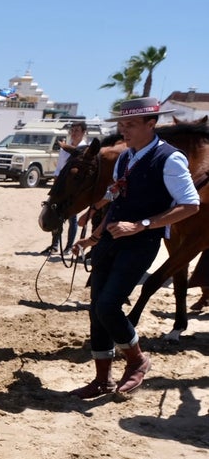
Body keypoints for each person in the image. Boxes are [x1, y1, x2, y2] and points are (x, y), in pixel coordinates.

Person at [70, 97, 200, 398]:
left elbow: (190, 205)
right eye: (121, 124)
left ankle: (138, 359)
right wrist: (94, 236)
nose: (123, 130)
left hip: (141, 244)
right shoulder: (126, 158)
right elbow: (117, 204)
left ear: (150, 124)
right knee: (96, 310)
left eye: (130, 125)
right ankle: (103, 378)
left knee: (108, 305)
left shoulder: (171, 159)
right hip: (111, 242)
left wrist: (142, 224)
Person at [44, 120, 91, 255]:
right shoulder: (65, 148)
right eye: (73, 130)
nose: (74, 133)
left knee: (72, 218)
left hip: (74, 187)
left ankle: (69, 246)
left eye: (77, 131)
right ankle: (55, 244)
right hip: (62, 184)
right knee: (56, 213)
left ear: (83, 133)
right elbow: (59, 168)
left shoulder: (86, 149)